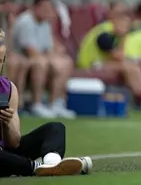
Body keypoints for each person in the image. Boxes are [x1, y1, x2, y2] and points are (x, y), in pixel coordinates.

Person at [0, 29, 93, 177]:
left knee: (55, 128)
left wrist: (7, 123)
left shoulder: (9, 89)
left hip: (6, 153)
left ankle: (51, 164)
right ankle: (36, 167)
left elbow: (14, 142)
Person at [10, 0, 75, 118]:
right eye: (44, 8)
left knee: (65, 62)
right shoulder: (26, 21)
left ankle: (56, 103)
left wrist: (56, 56)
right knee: (41, 63)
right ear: (35, 7)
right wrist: (50, 59)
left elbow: (48, 48)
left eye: (49, 8)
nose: (47, 11)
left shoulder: (45, 23)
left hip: (40, 56)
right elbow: (30, 51)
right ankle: (37, 103)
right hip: (23, 58)